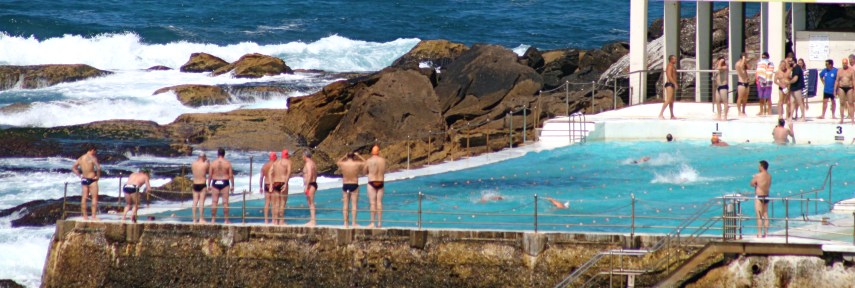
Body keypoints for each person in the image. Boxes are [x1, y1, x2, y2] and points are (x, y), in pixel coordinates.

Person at [72, 145, 101, 221]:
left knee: (84, 198)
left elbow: (73, 167)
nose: (95, 153)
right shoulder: (92, 157)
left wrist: (80, 175)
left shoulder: (81, 158)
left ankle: (85, 216)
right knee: (94, 198)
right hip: (92, 179)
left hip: (84, 179)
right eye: (95, 151)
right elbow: (98, 168)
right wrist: (98, 176)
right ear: (92, 150)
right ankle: (93, 216)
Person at [337, 152, 365, 228]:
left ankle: (345, 223)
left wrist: (344, 156)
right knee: (354, 205)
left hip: (345, 184)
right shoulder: (357, 164)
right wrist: (359, 155)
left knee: (345, 205)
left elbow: (338, 162)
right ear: (353, 157)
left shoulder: (343, 164)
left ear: (347, 156)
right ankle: (353, 223)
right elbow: (365, 163)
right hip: (354, 184)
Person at [208, 148, 234, 223]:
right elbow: (231, 175)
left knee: (214, 201)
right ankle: (226, 220)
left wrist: (208, 185)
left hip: (215, 181)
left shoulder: (213, 163)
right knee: (225, 202)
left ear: (217, 154)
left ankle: (213, 220)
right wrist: (232, 185)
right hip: (224, 182)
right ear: (224, 154)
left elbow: (210, 175)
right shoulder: (227, 163)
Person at [364, 145, 387, 228]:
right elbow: (384, 171)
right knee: (379, 202)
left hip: (372, 182)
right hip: (380, 182)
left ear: (372, 152)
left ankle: (372, 222)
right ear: (378, 152)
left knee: (373, 203)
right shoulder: (383, 161)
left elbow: (364, 171)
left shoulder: (368, 161)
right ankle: (380, 223)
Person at [268, 149, 292, 225]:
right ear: (287, 155)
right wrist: (285, 183)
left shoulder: (276, 162)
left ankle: (275, 221)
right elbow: (288, 173)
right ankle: (281, 221)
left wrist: (271, 184)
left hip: (275, 183)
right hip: (282, 182)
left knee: (275, 204)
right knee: (282, 203)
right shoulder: (288, 162)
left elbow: (270, 173)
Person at [750, 160, 772, 238]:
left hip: (759, 196)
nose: (758, 167)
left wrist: (756, 183)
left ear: (762, 166)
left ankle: (759, 233)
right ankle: (766, 233)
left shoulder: (758, 175)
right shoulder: (769, 176)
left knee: (759, 215)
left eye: (759, 166)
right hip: (766, 196)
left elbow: (752, 183)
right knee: (765, 214)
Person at [190, 152, 210, 223]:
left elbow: (193, 171)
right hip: (202, 183)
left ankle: (194, 219)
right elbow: (208, 172)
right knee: (201, 202)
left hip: (195, 183)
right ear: (203, 157)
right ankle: (201, 218)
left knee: (195, 201)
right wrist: (208, 162)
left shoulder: (193, 164)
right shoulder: (205, 164)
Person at [659, 55, 678, 120]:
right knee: (668, 100)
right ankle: (661, 114)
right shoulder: (669, 66)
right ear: (671, 60)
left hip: (672, 84)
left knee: (672, 101)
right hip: (669, 84)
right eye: (674, 59)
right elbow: (669, 76)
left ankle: (672, 115)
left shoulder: (673, 66)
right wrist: (674, 83)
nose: (676, 60)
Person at [259, 152, 276, 224]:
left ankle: (266, 220)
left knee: (267, 203)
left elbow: (261, 177)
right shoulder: (275, 165)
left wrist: (260, 187)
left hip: (266, 184)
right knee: (273, 203)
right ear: (275, 157)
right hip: (273, 184)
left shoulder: (264, 166)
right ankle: (273, 220)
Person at [302, 150, 318, 226]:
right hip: (313, 183)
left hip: (310, 184)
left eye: (303, 156)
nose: (302, 157)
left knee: (311, 203)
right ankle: (312, 220)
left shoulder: (308, 164)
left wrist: (307, 186)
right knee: (310, 202)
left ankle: (313, 221)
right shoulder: (313, 163)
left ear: (305, 156)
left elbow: (310, 174)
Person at [837, 58, 855, 124]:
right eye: (843, 63)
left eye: (845, 63)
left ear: (847, 63)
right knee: (842, 103)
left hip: (849, 87)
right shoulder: (839, 71)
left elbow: (853, 80)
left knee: (851, 103)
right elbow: (837, 81)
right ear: (842, 64)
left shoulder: (851, 70)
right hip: (841, 87)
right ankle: (842, 119)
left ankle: (852, 119)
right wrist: (834, 90)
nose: (844, 64)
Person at [714, 56, 730, 121]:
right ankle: (719, 115)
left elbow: (720, 67)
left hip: (723, 86)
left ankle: (725, 116)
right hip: (718, 87)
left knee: (725, 102)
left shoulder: (725, 67)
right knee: (717, 101)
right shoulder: (718, 68)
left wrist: (720, 62)